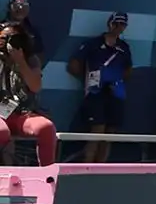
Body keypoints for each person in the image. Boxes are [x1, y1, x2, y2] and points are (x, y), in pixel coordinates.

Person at [69, 11, 133, 164]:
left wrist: (115, 81)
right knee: (97, 128)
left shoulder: (124, 47)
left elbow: (128, 69)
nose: (118, 27)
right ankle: (88, 164)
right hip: (94, 93)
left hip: (116, 93)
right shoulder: (93, 43)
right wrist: (89, 80)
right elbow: (74, 65)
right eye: (115, 23)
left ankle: (101, 165)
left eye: (122, 24)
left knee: (110, 132)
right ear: (109, 23)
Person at [0, 21, 56, 167]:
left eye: (12, 39)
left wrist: (20, 62)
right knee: (2, 131)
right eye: (4, 38)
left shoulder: (31, 60)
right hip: (0, 112)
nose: (7, 43)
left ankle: (46, 174)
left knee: (46, 127)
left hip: (22, 113)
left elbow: (35, 87)